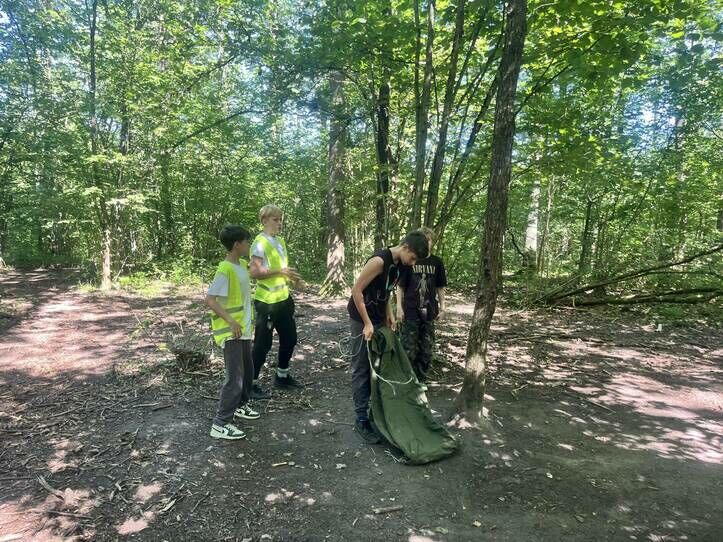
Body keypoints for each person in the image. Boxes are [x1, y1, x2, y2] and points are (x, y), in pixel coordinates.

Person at [347, 231, 429, 443]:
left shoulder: (401, 265)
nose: (413, 263)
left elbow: (386, 291)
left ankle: (375, 412)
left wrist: (389, 313)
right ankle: (361, 418)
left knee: (378, 364)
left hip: (377, 316)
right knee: (362, 366)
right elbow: (356, 291)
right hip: (361, 316)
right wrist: (367, 323)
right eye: (413, 258)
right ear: (406, 247)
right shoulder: (379, 261)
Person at [207, 225, 261, 440]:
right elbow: (210, 300)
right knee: (235, 378)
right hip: (232, 333)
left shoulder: (242, 265)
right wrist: (230, 322)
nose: (249, 245)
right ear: (237, 244)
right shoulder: (225, 269)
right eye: (246, 242)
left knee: (248, 372)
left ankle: (240, 405)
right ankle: (220, 424)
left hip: (244, 330)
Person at [249, 204, 303, 398]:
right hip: (267, 302)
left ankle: (282, 376)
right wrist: (281, 272)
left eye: (280, 220)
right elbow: (254, 272)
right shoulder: (259, 243)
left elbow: (283, 269)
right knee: (262, 344)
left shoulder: (279, 241)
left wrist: (295, 280)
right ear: (264, 221)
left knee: (290, 338)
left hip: (283, 300)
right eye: (275, 220)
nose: (279, 223)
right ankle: (251, 383)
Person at [396, 227, 447, 387]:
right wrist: (399, 308)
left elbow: (440, 287)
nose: (426, 242)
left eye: (428, 239)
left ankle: (421, 380)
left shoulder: (437, 262)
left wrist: (443, 308)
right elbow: (400, 286)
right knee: (408, 346)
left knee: (426, 348)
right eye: (423, 239)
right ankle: (407, 381)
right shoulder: (411, 259)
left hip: (429, 311)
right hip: (410, 310)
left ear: (432, 242)